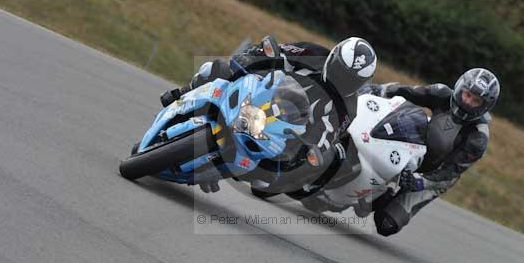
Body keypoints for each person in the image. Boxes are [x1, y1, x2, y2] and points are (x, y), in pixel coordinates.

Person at [160, 37, 378, 193]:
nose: (340, 77)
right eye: (340, 68)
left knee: (267, 178)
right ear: (334, 56)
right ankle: (182, 92)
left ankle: (216, 169)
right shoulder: (313, 52)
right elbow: (276, 50)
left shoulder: (348, 108)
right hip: (263, 91)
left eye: (350, 78)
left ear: (359, 83)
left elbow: (326, 136)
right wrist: (253, 57)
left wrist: (312, 150)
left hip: (286, 130)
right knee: (215, 68)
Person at [361, 68, 500, 236]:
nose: (467, 102)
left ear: (485, 106)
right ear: (460, 87)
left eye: (475, 100)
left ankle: (383, 197)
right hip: (417, 147)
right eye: (467, 94)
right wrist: (379, 90)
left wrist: (419, 182)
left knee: (386, 224)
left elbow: (449, 173)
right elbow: (406, 91)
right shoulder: (441, 93)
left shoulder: (478, 138)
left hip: (434, 176)